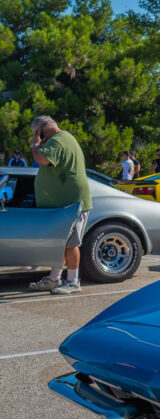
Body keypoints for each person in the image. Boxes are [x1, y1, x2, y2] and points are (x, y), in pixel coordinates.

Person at [26, 115, 91, 295]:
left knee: (71, 244)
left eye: (37, 133)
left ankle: (73, 281)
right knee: (61, 244)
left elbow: (41, 159)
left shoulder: (57, 141)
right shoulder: (63, 138)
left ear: (42, 131)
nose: (38, 138)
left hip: (71, 204)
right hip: (65, 204)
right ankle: (54, 278)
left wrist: (35, 143)